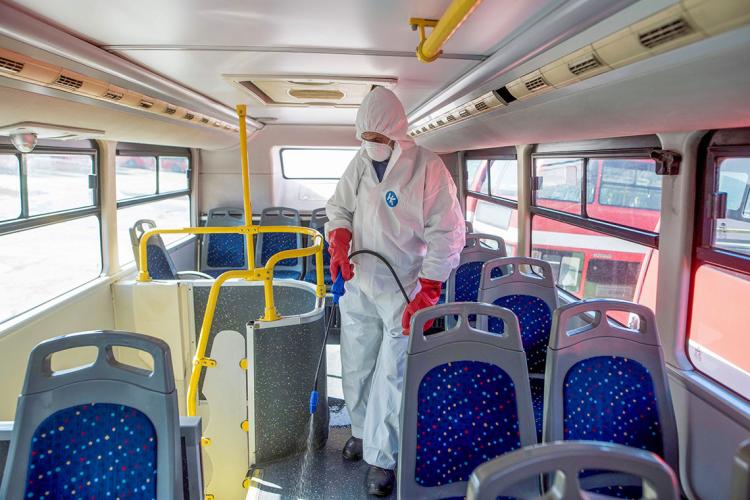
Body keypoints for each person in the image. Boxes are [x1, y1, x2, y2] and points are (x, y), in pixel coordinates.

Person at [325, 87, 466, 496]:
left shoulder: (428, 168)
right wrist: (338, 238)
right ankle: (358, 430)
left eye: (378, 139)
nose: (371, 145)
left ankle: (382, 459)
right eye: (365, 138)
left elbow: (448, 231)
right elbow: (339, 207)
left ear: (397, 135)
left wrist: (431, 285)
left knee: (393, 372)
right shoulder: (360, 162)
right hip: (359, 280)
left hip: (403, 286)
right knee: (355, 360)